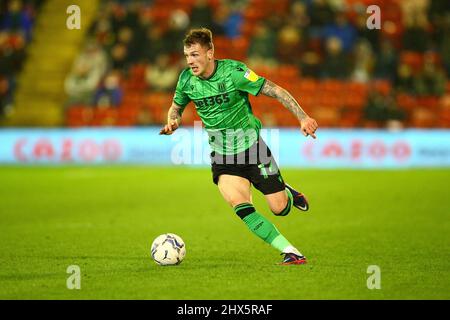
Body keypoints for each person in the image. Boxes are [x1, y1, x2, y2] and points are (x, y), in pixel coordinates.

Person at [159, 28, 318, 265]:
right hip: (222, 155)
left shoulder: (234, 72)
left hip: (252, 148)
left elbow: (275, 90)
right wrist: (173, 120)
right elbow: (176, 107)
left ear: (210, 52)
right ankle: (290, 251)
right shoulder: (185, 81)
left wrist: (303, 117)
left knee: (279, 208)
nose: (190, 61)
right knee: (241, 205)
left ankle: (287, 192)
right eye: (187, 56)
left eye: (195, 54)